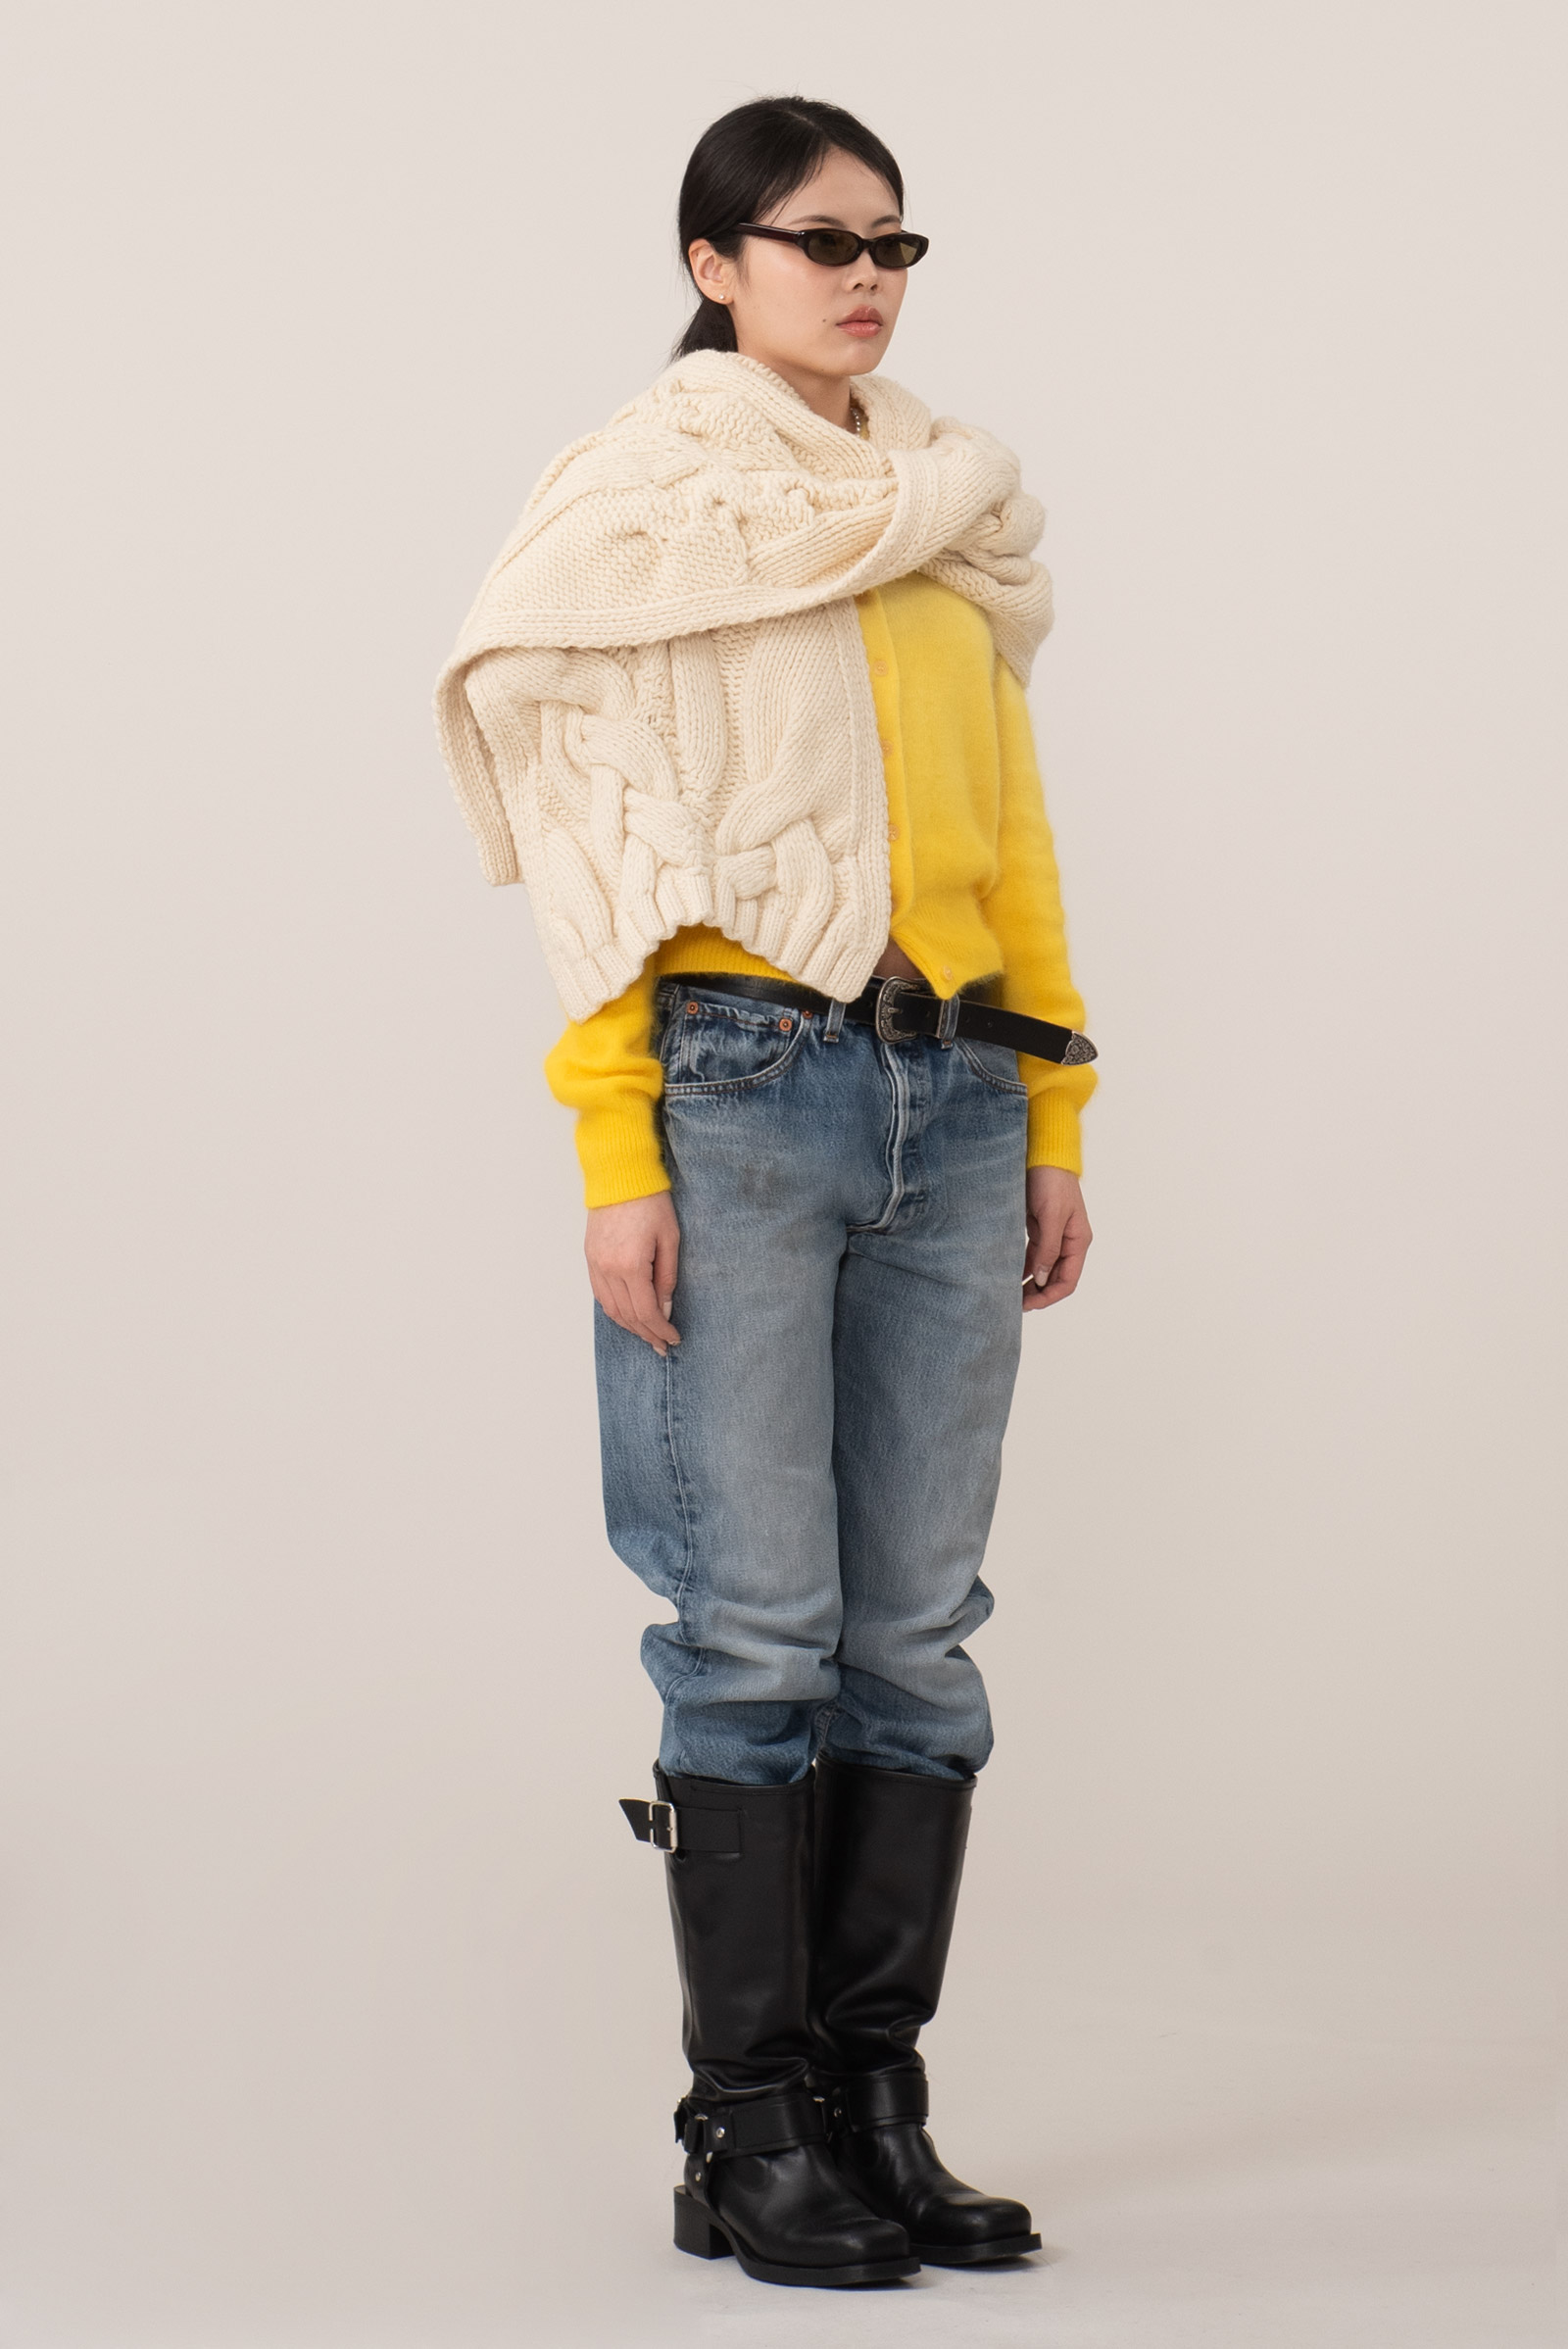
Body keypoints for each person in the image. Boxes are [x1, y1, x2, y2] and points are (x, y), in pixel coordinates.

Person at [436, 95, 1097, 2291]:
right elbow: (590, 861)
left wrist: (1057, 1110)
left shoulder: (943, 513)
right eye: (824, 240)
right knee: (752, 1630)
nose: (869, 276)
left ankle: (870, 2099)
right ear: (714, 262)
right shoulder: (640, 513)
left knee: (915, 1627)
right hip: (737, 1085)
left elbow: (1010, 834)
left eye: (895, 242)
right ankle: (746, 2125)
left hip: (957, 1090)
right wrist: (613, 1151)